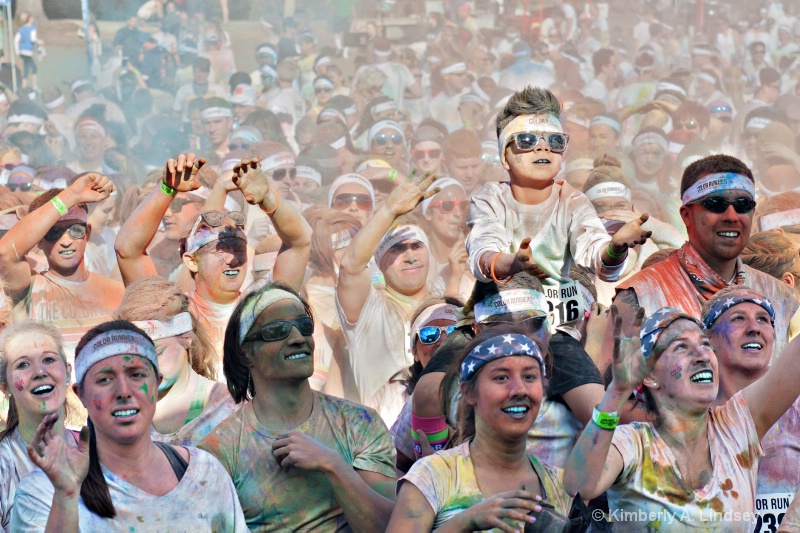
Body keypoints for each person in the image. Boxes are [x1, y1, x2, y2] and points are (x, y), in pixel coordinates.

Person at [466, 86, 650, 417]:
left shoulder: (573, 201)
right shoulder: (489, 197)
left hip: (555, 334)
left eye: (554, 141)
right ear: (504, 155)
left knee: (605, 415)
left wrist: (615, 248)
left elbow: (596, 254)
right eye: (526, 141)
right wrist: (510, 263)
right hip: (500, 324)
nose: (542, 148)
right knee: (435, 383)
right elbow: (483, 248)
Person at [565, 304, 800, 530]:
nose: (702, 356)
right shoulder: (633, 444)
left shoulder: (736, 427)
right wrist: (616, 393)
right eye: (681, 347)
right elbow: (579, 486)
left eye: (705, 344)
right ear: (649, 376)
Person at [12, 320, 248, 530]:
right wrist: (67, 494)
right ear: (80, 394)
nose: (123, 391)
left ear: (156, 384)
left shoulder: (204, 473)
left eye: (136, 375)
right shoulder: (42, 492)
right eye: (105, 379)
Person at [199, 283, 397, 531]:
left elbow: (392, 527)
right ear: (246, 353)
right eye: (277, 331)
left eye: (304, 327)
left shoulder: (358, 423)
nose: (297, 338)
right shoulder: (220, 451)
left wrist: (332, 465)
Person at [607, 154, 800, 367]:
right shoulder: (640, 295)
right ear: (686, 215)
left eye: (743, 204)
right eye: (715, 204)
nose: (731, 216)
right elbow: (611, 391)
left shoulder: (781, 297)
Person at [116, 154, 311, 359]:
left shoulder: (265, 308)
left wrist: (268, 197)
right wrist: (166, 189)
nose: (233, 259)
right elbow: (127, 251)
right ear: (191, 261)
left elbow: (300, 243)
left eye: (238, 248)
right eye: (220, 250)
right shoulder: (171, 315)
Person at [388, 325, 573, 531]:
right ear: (468, 392)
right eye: (501, 377)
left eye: (529, 377)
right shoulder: (433, 475)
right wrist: (466, 521)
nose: (519, 389)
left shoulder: (558, 485)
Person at [335, 169, 439, 424]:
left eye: (417, 246)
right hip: (384, 448)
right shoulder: (367, 310)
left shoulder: (445, 311)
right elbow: (350, 266)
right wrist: (389, 209)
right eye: (398, 248)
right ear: (380, 262)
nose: (411, 256)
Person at [702, 287, 800, 528]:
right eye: (738, 318)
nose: (754, 328)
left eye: (763, 320)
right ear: (708, 339)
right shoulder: (688, 412)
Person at [0, 173, 123, 351]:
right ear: (39, 239)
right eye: (53, 233)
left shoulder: (117, 291)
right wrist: (72, 194)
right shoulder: (27, 290)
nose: (66, 241)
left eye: (75, 230)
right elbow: (5, 252)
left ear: (87, 233)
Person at [113, 277, 238, 445]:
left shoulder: (227, 408)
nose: (144, 367)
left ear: (186, 337)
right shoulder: (122, 410)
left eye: (156, 352)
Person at [0, 322, 77, 530]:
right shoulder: (3, 464)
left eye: (49, 359)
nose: (40, 372)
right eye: (23, 365)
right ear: (4, 386)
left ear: (68, 372)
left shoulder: (100, 450)